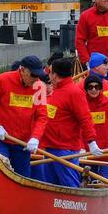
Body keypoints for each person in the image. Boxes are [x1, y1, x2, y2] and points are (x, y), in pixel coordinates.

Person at [34, 57, 101, 187]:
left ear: (56, 75)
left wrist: (91, 142)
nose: (48, 75)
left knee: (69, 185)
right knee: (49, 185)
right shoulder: (55, 90)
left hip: (65, 149)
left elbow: (85, 118)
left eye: (50, 72)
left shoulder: (74, 92)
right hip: (48, 147)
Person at [0, 55, 48, 176]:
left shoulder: (39, 87)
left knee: (23, 177)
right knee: (2, 171)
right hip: (1, 139)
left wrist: (35, 137)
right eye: (33, 75)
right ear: (22, 70)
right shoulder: (2, 80)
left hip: (23, 143)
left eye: (38, 75)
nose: (35, 79)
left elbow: (42, 116)